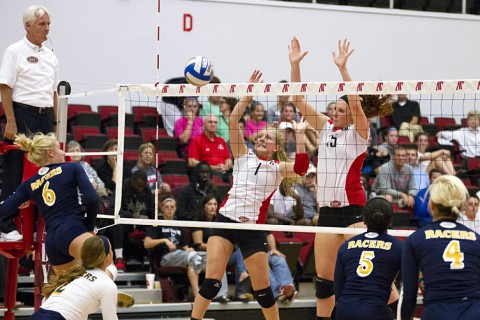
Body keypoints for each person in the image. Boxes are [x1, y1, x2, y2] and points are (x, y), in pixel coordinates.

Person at [191, 69, 309, 320]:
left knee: (263, 290)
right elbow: (233, 121)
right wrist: (247, 93)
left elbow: (300, 168)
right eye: (261, 136)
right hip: (224, 222)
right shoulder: (243, 155)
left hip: (252, 229)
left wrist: (299, 138)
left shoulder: (278, 168)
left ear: (276, 147)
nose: (262, 138)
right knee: (211, 282)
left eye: (268, 137)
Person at [289, 36, 393, 319]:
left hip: (355, 213)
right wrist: (294, 65)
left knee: (374, 279)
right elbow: (298, 101)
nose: (335, 112)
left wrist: (343, 70)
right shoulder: (326, 128)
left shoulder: (360, 134)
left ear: (351, 113)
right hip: (326, 214)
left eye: (341, 109)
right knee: (324, 284)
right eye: (334, 108)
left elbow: (358, 106)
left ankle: (396, 312)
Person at [0, 4, 59, 242]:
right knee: (14, 170)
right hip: (22, 113)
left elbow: (53, 92)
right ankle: (5, 225)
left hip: (45, 116)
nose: (47, 29)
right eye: (42, 24)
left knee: (43, 171)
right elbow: (5, 87)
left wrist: (54, 124)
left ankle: (37, 225)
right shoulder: (14, 51)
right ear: (28, 25)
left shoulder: (51, 56)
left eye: (48, 24)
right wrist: (11, 120)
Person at [0, 133, 98, 275]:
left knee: (67, 286)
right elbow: (93, 199)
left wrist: (23, 200)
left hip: (52, 241)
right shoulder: (72, 168)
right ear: (50, 152)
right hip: (73, 229)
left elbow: (3, 209)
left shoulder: (29, 184)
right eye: (59, 149)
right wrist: (89, 227)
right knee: (105, 255)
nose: (64, 152)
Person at [400, 175, 480, 320]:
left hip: (436, 312)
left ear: (431, 205)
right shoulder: (477, 239)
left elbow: (409, 295)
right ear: (462, 206)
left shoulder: (415, 239)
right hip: (473, 312)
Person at [334, 198, 403, 320]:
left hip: (344, 309)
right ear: (390, 220)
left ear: (364, 219)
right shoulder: (399, 247)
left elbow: (338, 289)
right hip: (374, 311)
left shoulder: (346, 246)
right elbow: (408, 287)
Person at [30, 236, 119, 320]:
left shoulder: (76, 273)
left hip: (38, 315)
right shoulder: (108, 285)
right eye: (111, 250)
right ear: (107, 257)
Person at [191, 194, 251, 303]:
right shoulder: (198, 222)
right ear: (203, 206)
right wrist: (218, 248)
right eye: (209, 204)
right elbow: (198, 244)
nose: (213, 207)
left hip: (222, 253)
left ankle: (240, 290)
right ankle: (221, 294)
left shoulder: (220, 221)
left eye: (215, 204)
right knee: (221, 258)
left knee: (239, 250)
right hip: (205, 254)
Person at [144, 197, 205, 299]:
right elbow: (147, 243)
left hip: (182, 255)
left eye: (172, 207)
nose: (169, 209)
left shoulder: (179, 224)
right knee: (195, 258)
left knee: (212, 257)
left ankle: (219, 294)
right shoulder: (157, 223)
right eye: (167, 207)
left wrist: (188, 249)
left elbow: (185, 246)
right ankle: (197, 294)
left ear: (176, 208)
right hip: (166, 257)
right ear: (162, 209)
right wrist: (164, 240)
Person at [106, 170, 154, 272]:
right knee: (118, 222)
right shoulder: (121, 188)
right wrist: (134, 216)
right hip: (124, 226)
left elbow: (152, 212)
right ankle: (119, 258)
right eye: (137, 186)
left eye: (142, 187)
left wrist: (150, 219)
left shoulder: (146, 191)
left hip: (140, 225)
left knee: (154, 223)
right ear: (132, 181)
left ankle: (152, 259)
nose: (140, 189)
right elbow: (113, 211)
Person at [187, 114, 233, 180]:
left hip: (224, 172)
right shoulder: (197, 140)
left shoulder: (221, 140)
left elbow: (228, 159)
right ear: (204, 124)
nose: (213, 124)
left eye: (215, 122)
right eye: (210, 122)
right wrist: (213, 167)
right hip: (208, 174)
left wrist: (225, 166)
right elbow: (191, 162)